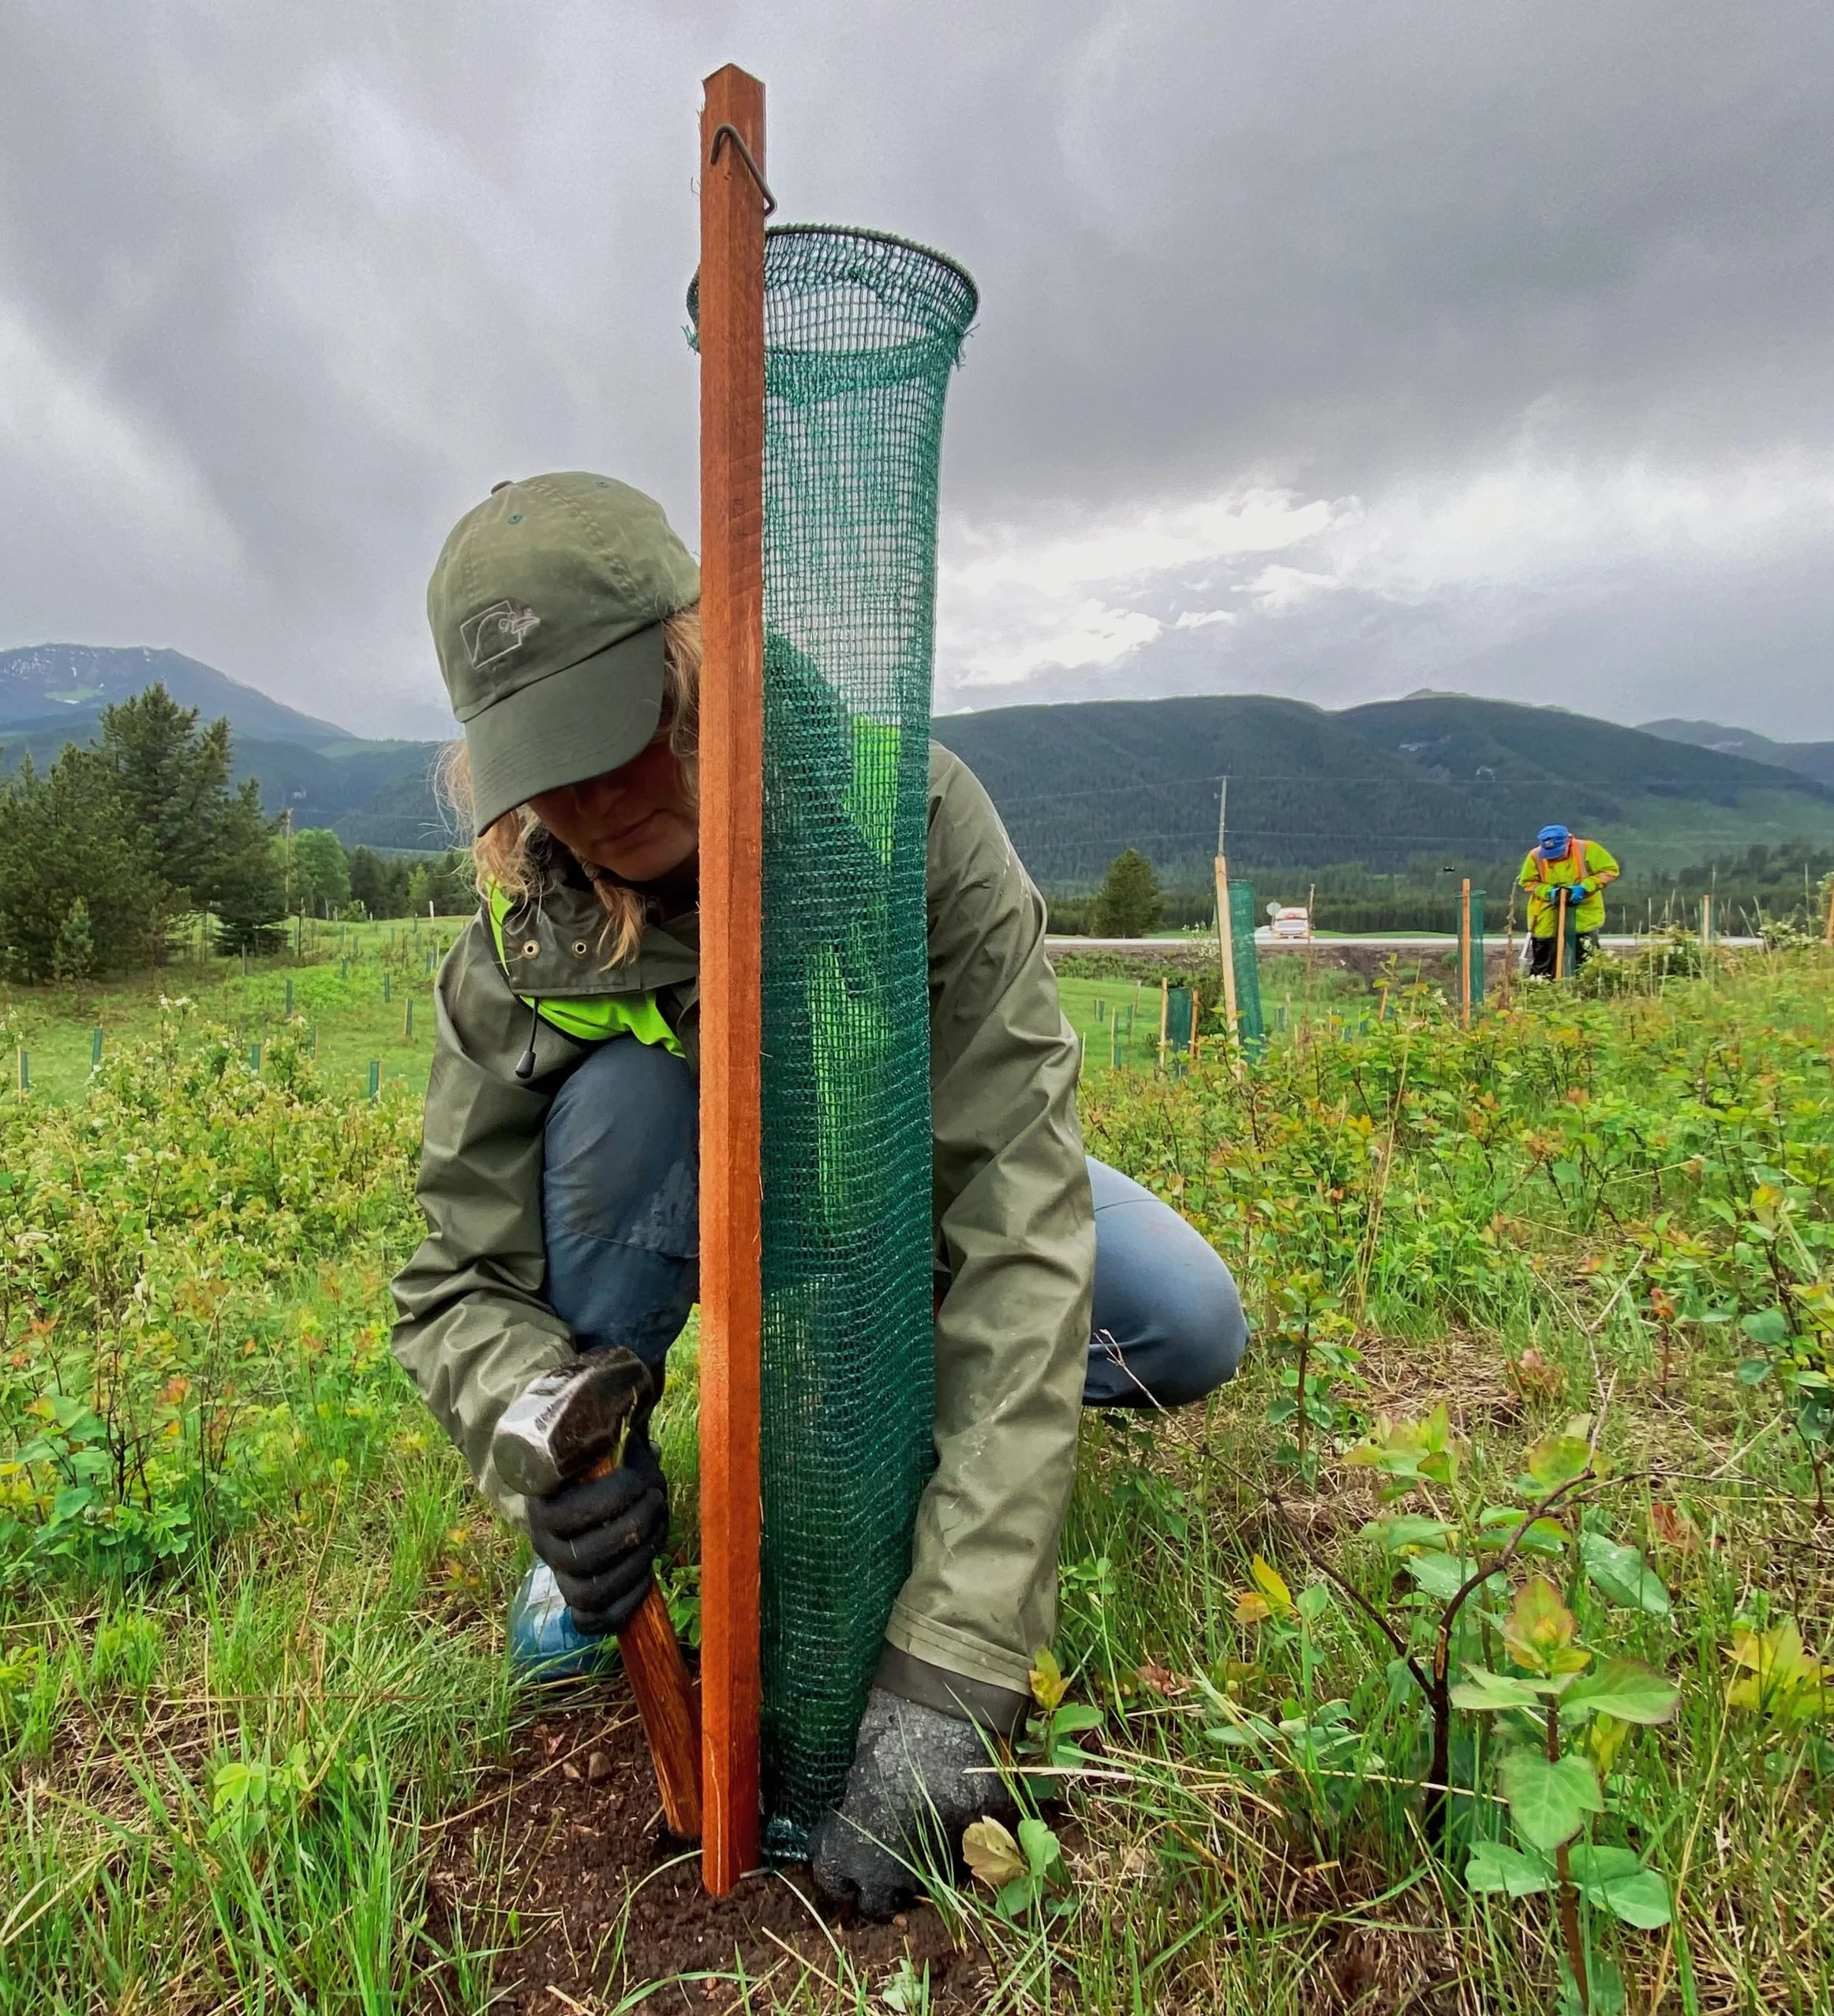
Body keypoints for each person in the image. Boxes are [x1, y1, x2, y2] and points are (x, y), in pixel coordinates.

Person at [391, 472, 1249, 1917]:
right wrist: (542, 1425)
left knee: (1180, 1318)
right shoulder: (524, 928)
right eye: (549, 767)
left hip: (894, 1195)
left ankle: (917, 1425)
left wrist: (958, 1659)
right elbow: (452, 1279)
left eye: (616, 738)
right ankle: (601, 1540)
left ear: (694, 668)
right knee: (627, 1102)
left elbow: (1022, 1208)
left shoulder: (906, 809)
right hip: (685, 1218)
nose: (593, 801)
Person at [1517, 823, 1619, 978]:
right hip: (1547, 914)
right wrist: (1549, 892)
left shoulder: (1588, 849)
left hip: (1583, 913)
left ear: (1568, 842)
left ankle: (1585, 993)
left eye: (1557, 852)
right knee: (1544, 962)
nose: (1554, 858)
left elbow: (1610, 871)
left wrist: (1585, 887)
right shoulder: (1535, 856)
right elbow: (1528, 882)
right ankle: (1543, 990)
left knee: (1586, 961)